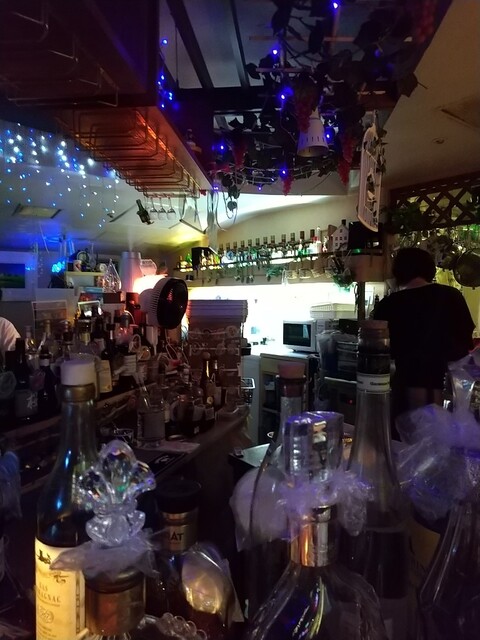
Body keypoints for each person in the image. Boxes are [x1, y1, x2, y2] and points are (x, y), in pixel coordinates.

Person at [373, 246, 475, 433]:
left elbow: (379, 350)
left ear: (399, 272)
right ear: (430, 269)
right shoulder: (452, 296)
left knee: (405, 444)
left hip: (405, 390)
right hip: (449, 391)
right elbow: (465, 341)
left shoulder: (389, 304)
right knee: (444, 444)